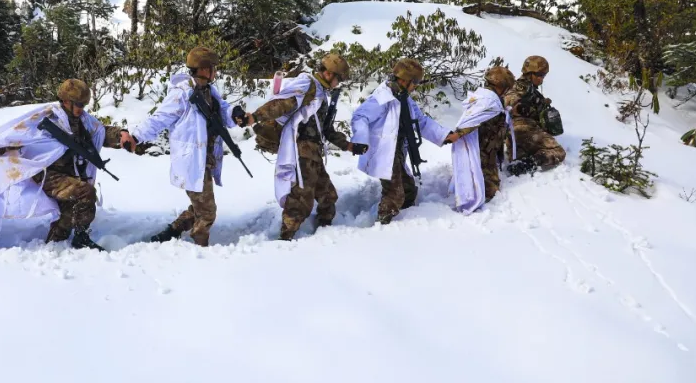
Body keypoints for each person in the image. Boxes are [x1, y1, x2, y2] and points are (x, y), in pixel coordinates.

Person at [0, 79, 126, 250]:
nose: (81, 109)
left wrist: (121, 136)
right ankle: (80, 239)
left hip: (71, 174)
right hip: (48, 174)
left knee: (73, 205)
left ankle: (56, 243)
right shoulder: (47, 118)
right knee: (84, 192)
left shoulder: (84, 121)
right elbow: (16, 136)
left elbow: (100, 132)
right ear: (65, 101)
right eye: (77, 104)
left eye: (83, 105)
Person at [120, 47, 242, 247]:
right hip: (192, 159)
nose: (216, 72)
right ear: (203, 69)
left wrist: (235, 113)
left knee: (199, 205)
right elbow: (159, 119)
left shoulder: (209, 90)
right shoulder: (182, 94)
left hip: (207, 157)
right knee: (207, 212)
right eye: (213, 68)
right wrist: (136, 137)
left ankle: (174, 230)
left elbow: (223, 110)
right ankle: (199, 246)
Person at [238, 54, 365, 240]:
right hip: (302, 151)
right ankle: (285, 239)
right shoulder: (308, 85)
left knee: (327, 195)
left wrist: (349, 146)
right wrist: (255, 117)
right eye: (339, 79)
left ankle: (325, 230)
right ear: (329, 74)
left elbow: (326, 129)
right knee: (300, 200)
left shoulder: (321, 93)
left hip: (314, 152)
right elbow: (282, 104)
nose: (338, 84)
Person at [350, 58, 457, 225]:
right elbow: (360, 117)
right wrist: (360, 140)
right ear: (404, 80)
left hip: (397, 151)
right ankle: (383, 224)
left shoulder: (404, 98)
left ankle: (406, 221)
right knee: (395, 194)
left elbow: (421, 121)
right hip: (384, 152)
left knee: (408, 189)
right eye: (414, 82)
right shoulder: (382, 97)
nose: (415, 86)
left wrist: (444, 135)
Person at [448, 65, 517, 212]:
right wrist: (458, 134)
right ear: (501, 85)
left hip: (489, 149)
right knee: (489, 190)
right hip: (482, 153)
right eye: (507, 87)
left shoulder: (491, 98)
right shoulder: (488, 100)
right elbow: (472, 120)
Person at [504, 55, 566, 171]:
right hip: (521, 130)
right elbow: (510, 100)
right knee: (559, 152)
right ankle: (527, 165)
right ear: (529, 73)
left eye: (544, 75)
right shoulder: (518, 87)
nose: (541, 79)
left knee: (522, 153)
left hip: (523, 132)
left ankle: (520, 156)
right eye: (539, 75)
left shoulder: (532, 90)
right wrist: (521, 107)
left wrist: (542, 103)